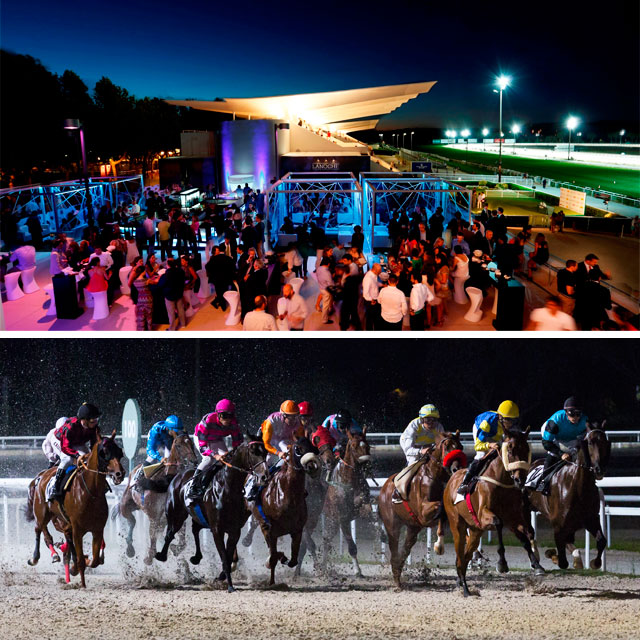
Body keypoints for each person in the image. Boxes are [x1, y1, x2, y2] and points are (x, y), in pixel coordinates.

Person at [244, 400, 304, 503]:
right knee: (265, 464)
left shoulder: (298, 422)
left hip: (282, 440)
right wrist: (278, 453)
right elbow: (267, 444)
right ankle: (250, 487)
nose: (294, 420)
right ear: (283, 415)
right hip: (267, 440)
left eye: (295, 416)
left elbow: (299, 440)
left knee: (292, 457)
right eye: (290, 417)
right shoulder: (271, 421)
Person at [457, 400, 520, 495]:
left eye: (513, 420)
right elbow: (478, 446)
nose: (511, 423)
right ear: (500, 417)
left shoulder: (509, 425)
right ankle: (465, 482)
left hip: (495, 433)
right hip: (481, 430)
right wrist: (489, 445)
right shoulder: (486, 423)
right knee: (482, 454)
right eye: (508, 420)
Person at [188, 400, 243, 501]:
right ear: (217, 414)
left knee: (227, 460)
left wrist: (232, 454)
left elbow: (237, 444)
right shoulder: (207, 421)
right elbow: (203, 447)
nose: (227, 419)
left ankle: (212, 483)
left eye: (230, 416)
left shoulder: (234, 423)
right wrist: (216, 455)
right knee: (208, 460)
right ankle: (193, 486)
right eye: (224, 415)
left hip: (217, 439)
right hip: (202, 439)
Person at [536, 397, 589, 495]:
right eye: (572, 414)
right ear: (566, 412)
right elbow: (546, 443)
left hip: (572, 438)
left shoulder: (585, 421)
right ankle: (543, 483)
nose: (575, 417)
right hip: (554, 437)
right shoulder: (555, 421)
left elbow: (584, 442)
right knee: (552, 455)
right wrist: (561, 454)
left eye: (578, 414)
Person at [49, 403, 102, 503]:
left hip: (77, 442)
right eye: (93, 420)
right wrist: (77, 456)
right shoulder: (71, 427)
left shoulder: (94, 428)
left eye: (96, 419)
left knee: (89, 459)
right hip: (59, 441)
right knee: (68, 459)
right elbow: (65, 447)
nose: (95, 422)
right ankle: (55, 485)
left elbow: (94, 445)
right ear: (84, 420)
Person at [393, 404, 445, 502]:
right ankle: (397, 491)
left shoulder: (439, 427)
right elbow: (409, 451)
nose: (431, 423)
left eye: (434, 420)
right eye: (428, 420)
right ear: (421, 420)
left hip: (428, 445)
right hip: (411, 445)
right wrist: (421, 451)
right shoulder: (414, 425)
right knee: (414, 464)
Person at [157, 258, 186, 330]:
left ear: (167, 265)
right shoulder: (181, 271)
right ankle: (183, 324)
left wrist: (160, 278)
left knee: (171, 313)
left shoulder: (165, 275)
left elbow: (160, 285)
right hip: (179, 293)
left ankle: (172, 328)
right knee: (181, 309)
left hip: (169, 295)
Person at [362, 262, 382, 330]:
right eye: (379, 272)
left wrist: (382, 285)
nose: (380, 273)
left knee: (376, 317)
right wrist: (371, 300)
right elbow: (365, 293)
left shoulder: (374, 275)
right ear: (375, 270)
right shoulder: (368, 278)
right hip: (371, 301)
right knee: (370, 319)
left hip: (375, 298)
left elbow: (375, 283)